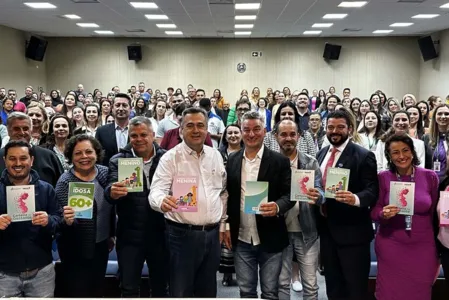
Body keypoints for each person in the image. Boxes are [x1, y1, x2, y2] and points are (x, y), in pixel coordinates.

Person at [149, 107, 227, 298]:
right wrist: (162, 201)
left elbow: (222, 192)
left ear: (207, 129)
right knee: (181, 290)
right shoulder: (170, 158)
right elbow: (156, 191)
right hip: (181, 236)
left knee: (208, 291)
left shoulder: (215, 155)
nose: (196, 130)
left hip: (212, 234)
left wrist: (224, 223)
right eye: (190, 125)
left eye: (201, 125)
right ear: (181, 130)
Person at [226, 111, 293, 299]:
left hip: (270, 236)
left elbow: (289, 195)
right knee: (246, 292)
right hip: (241, 238)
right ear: (241, 131)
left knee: (270, 292)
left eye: (256, 129)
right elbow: (227, 195)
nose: (251, 134)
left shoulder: (280, 161)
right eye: (246, 130)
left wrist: (278, 206)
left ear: (264, 131)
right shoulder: (232, 160)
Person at [316, 109, 379, 300]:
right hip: (326, 232)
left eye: (340, 127)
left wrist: (355, 199)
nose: (335, 131)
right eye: (330, 127)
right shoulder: (321, 154)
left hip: (353, 235)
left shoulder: (363, 155)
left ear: (350, 129)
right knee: (333, 287)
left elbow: (372, 191)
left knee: (355, 288)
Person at [105, 117, 168, 297]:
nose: (138, 139)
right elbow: (109, 189)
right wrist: (112, 192)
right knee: (129, 287)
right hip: (130, 237)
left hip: (161, 234)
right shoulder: (118, 160)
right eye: (134, 135)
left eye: (143, 135)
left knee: (161, 287)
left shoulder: (167, 158)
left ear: (153, 135)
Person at [371, 134, 439, 300]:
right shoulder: (383, 177)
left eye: (405, 150)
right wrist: (382, 214)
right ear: (389, 155)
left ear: (413, 152)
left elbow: (435, 216)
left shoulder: (430, 177)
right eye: (395, 152)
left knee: (420, 293)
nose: (401, 156)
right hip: (391, 245)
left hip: (423, 247)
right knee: (389, 293)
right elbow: (373, 211)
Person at [55, 135, 115, 297]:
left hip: (101, 245)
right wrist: (66, 220)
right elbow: (57, 219)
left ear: (96, 153)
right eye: (78, 153)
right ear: (70, 157)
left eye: (89, 152)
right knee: (78, 292)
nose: (84, 157)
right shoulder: (64, 182)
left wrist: (111, 235)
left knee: (97, 290)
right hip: (73, 248)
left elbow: (112, 207)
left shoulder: (105, 174)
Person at [0, 141, 59, 297]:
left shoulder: (46, 189)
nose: (18, 163)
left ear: (31, 160)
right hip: (4, 274)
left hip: (41, 272)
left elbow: (59, 222)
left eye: (23, 158)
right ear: (5, 160)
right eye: (12, 158)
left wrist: (49, 220)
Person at [275, 120, 324, 300]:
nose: (288, 138)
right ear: (276, 136)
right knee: (281, 283)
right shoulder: (270, 162)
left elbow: (321, 190)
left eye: (292, 134)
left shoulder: (310, 162)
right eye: (283, 134)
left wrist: (317, 196)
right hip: (279, 232)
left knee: (310, 285)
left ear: (299, 136)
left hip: (307, 231)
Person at [0, 112, 63, 186]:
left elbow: (61, 186)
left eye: (25, 128)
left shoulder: (48, 156)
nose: (22, 133)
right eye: (16, 129)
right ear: (8, 130)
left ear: (31, 130)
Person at [96, 93, 131, 166]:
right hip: (108, 174)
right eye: (117, 105)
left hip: (133, 175)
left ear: (130, 108)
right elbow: (97, 157)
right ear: (112, 108)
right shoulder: (101, 131)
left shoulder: (138, 130)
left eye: (124, 105)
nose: (121, 109)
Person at [423, 104, 449, 180]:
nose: (443, 116)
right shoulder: (426, 138)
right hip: (431, 181)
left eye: (447, 114)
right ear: (434, 117)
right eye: (440, 114)